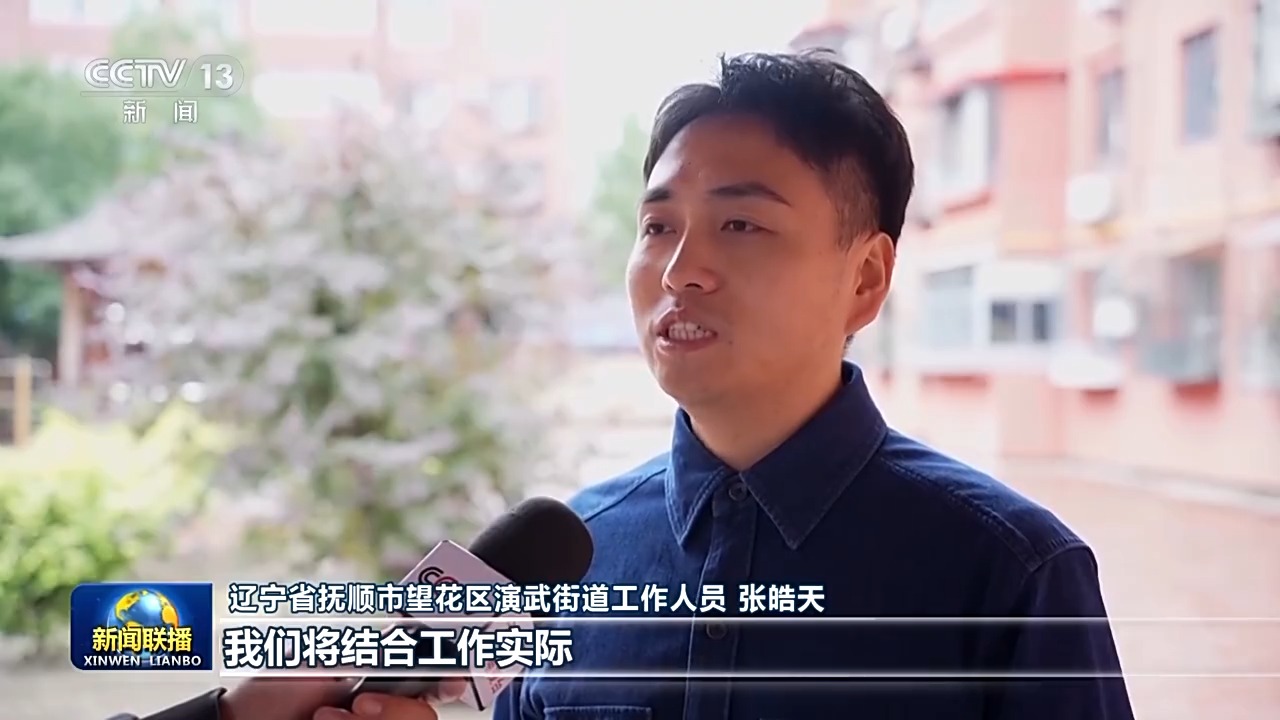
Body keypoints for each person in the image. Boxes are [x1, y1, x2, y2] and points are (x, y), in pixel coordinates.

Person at [484, 50, 1136, 719]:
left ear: (866, 279)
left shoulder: (1010, 574)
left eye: (740, 224)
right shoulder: (570, 562)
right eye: (658, 227)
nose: (680, 271)